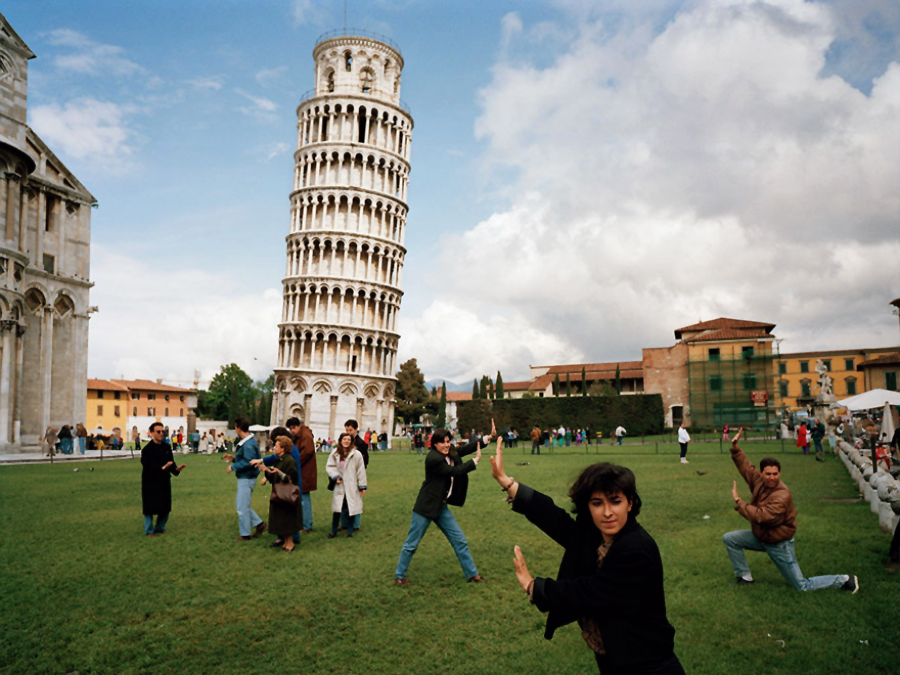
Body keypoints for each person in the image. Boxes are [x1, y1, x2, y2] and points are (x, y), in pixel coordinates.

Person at [489, 438, 684, 674]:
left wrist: (535, 587)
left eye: (616, 501)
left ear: (630, 504)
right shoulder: (598, 535)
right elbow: (559, 523)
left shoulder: (636, 548)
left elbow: (589, 592)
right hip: (617, 659)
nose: (608, 512)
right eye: (597, 503)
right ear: (588, 507)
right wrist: (507, 482)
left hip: (647, 664)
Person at [723, 428, 858, 592]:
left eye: (775, 474)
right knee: (730, 539)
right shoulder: (759, 481)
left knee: (802, 586)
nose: (772, 477)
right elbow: (746, 468)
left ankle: (845, 580)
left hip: (779, 544)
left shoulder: (782, 494)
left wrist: (739, 501)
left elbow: (762, 516)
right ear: (761, 473)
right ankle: (745, 577)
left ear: (779, 473)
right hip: (762, 536)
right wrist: (735, 447)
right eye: (768, 474)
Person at [394, 421, 495, 586]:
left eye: (448, 441)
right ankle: (400, 576)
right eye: (443, 442)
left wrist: (486, 438)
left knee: (459, 540)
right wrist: (474, 462)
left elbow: (464, 449)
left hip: (441, 506)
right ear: (435, 444)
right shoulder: (433, 458)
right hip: (426, 507)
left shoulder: (449, 452)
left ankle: (473, 575)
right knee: (412, 544)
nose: (447, 445)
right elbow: (453, 471)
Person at [254, 426, 303, 548]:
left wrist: (277, 473)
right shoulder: (280, 458)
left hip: (287, 492)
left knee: (288, 517)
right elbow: (275, 472)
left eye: (275, 445)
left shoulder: (290, 459)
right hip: (280, 491)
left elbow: (291, 476)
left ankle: (290, 541)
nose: (273, 447)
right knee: (281, 516)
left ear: (282, 447)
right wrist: (266, 471)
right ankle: (284, 540)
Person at [141, 422, 186, 537]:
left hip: (164, 480)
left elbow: (171, 462)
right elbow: (147, 464)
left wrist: (176, 469)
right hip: (150, 481)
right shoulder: (147, 449)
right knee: (149, 507)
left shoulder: (166, 447)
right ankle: (149, 530)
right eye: (158, 431)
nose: (161, 434)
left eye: (163, 431)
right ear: (152, 433)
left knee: (165, 506)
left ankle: (160, 527)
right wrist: (161, 468)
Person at [226, 417, 267, 541]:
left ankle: (245, 534)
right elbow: (249, 459)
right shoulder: (250, 442)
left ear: (238, 428)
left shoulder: (248, 444)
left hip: (246, 477)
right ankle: (259, 525)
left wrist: (233, 466)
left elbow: (248, 461)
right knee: (243, 505)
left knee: (242, 507)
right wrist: (234, 459)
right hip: (248, 477)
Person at [325, 432, 367, 538]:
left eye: (348, 439)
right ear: (340, 440)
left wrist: (362, 486)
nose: (346, 441)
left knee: (350, 508)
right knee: (337, 509)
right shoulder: (335, 453)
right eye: (344, 439)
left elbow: (360, 471)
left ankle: (350, 531)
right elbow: (330, 466)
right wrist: (335, 476)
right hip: (340, 484)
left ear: (351, 441)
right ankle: (333, 531)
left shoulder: (356, 454)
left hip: (352, 484)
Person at [287, 417, 316, 534]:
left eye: (293, 428)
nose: (292, 431)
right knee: (302, 497)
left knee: (304, 498)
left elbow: (307, 452)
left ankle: (307, 525)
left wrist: (295, 462)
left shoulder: (306, 435)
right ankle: (304, 523)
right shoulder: (300, 435)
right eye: (290, 429)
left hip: (305, 471)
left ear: (298, 426)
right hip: (302, 470)